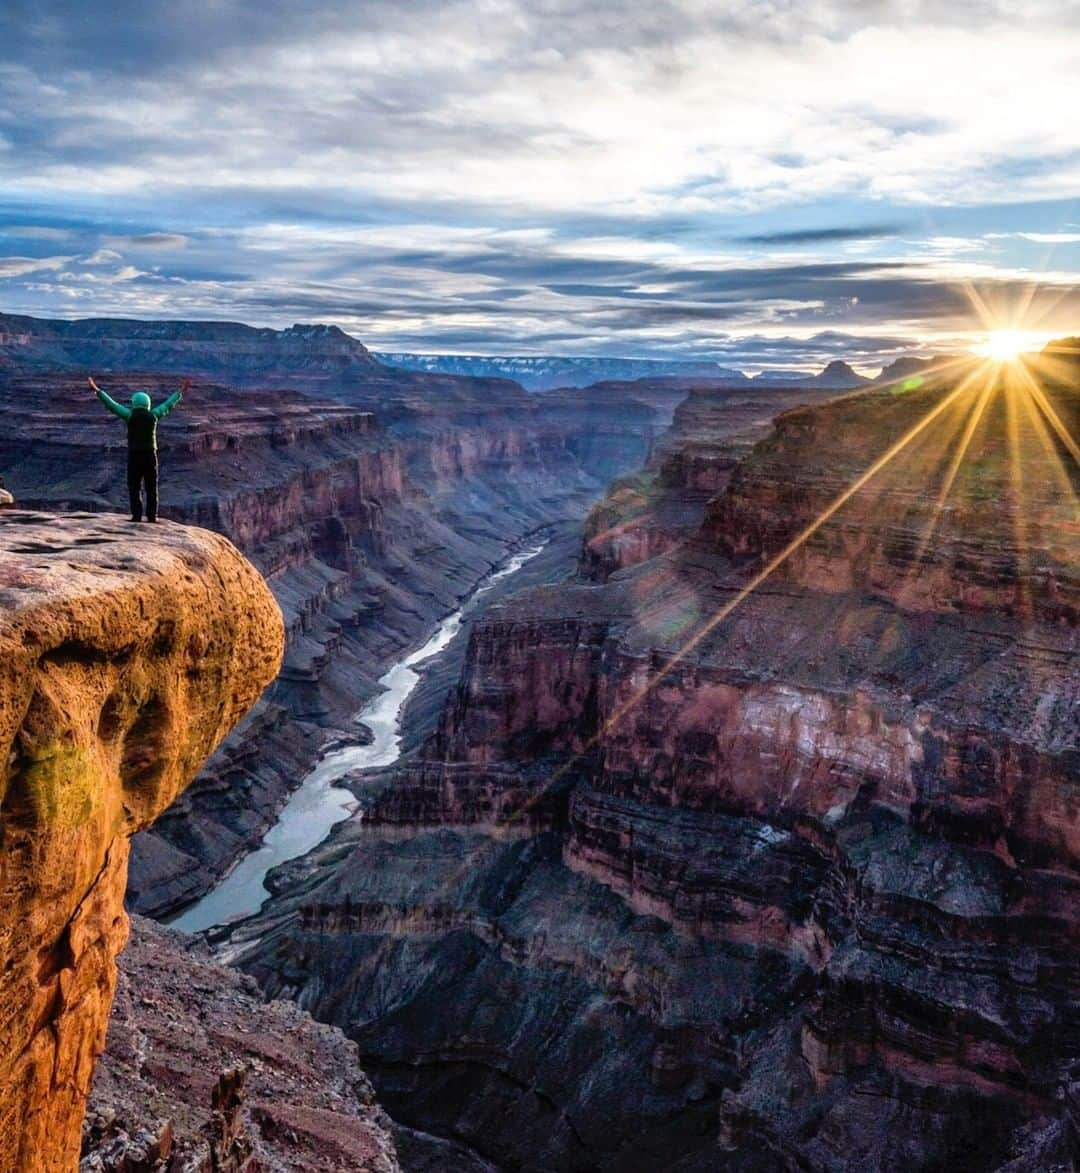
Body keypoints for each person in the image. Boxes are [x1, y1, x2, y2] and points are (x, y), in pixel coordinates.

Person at [89, 376, 189, 522]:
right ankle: (152, 516)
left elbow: (112, 405)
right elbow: (168, 405)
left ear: (134, 403)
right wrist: (180, 392)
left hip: (134, 455)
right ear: (147, 404)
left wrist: (97, 391)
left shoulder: (129, 416)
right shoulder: (153, 415)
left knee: (134, 486)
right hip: (150, 455)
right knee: (151, 486)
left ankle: (136, 515)